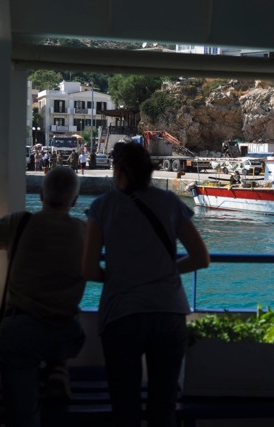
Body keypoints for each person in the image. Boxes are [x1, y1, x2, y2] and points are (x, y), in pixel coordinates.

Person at [82, 142, 210, 427]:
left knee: (124, 408)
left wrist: (120, 276)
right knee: (163, 408)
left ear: (118, 172)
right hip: (169, 312)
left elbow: (88, 269)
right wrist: (165, 271)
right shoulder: (171, 203)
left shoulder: (102, 207)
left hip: (121, 315)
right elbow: (201, 258)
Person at [0, 167, 87, 427]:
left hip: (21, 332)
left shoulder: (21, 224)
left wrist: (5, 241)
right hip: (66, 334)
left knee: (23, 416)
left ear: (40, 195)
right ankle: (57, 367)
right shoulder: (84, 231)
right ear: (74, 201)